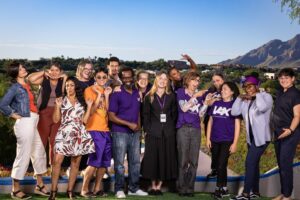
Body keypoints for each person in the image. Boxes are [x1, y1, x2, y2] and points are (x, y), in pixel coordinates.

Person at [0, 62, 49, 199]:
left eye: (23, 67)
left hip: (34, 121)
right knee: (23, 154)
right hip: (25, 122)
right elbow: (3, 104)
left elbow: (41, 78)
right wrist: (13, 115)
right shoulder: (15, 87)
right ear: (15, 72)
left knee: (38, 152)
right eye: (20, 69)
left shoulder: (27, 84)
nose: (23, 69)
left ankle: (39, 185)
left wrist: (46, 72)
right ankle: (15, 189)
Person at [48, 77, 95, 200]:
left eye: (71, 85)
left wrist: (89, 106)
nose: (69, 88)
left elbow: (84, 121)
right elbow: (55, 120)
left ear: (76, 87)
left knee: (75, 163)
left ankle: (70, 191)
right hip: (64, 133)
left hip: (79, 133)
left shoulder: (82, 101)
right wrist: (57, 106)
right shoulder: (61, 100)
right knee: (57, 161)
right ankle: (53, 191)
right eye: (67, 85)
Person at [231, 73, 273, 200]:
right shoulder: (245, 100)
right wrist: (239, 98)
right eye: (245, 87)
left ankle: (245, 194)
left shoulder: (266, 97)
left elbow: (262, 108)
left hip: (263, 138)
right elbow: (234, 112)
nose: (248, 89)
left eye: (250, 86)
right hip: (251, 138)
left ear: (257, 86)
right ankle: (256, 192)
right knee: (254, 165)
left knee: (249, 163)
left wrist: (258, 95)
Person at [108, 67, 148, 198]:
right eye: (124, 77)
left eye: (129, 77)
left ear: (133, 78)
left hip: (135, 133)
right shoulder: (116, 93)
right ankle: (119, 189)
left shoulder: (137, 93)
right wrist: (129, 124)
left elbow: (138, 113)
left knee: (135, 162)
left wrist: (139, 127)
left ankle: (133, 188)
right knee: (119, 163)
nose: (127, 80)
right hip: (120, 132)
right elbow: (111, 116)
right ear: (121, 79)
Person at [141, 71, 177, 196]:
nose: (163, 80)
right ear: (156, 80)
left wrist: (172, 130)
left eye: (165, 79)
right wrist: (147, 130)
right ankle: (152, 186)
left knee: (164, 158)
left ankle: (159, 186)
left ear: (167, 81)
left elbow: (174, 115)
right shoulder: (148, 96)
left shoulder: (171, 96)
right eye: (160, 78)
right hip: (153, 132)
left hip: (168, 133)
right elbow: (145, 116)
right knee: (152, 159)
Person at [176, 71, 210, 197]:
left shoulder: (201, 96)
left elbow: (200, 115)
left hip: (196, 129)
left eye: (198, 81)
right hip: (183, 129)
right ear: (188, 81)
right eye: (194, 80)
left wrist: (205, 103)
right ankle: (181, 188)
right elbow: (184, 108)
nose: (196, 83)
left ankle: (190, 188)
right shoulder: (180, 92)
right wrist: (196, 96)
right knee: (183, 160)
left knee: (194, 161)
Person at [81, 68, 113, 198]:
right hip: (94, 129)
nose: (101, 79)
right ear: (95, 78)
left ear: (106, 79)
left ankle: (97, 188)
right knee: (94, 162)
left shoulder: (106, 90)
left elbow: (109, 111)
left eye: (104, 77)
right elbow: (92, 110)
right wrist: (99, 95)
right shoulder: (89, 90)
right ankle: (84, 189)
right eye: (98, 77)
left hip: (105, 130)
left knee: (104, 163)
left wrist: (105, 95)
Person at [27, 62, 67, 165]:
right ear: (48, 71)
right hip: (44, 113)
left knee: (54, 142)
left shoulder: (62, 81)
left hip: (58, 113)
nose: (54, 72)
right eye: (52, 70)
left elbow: (64, 90)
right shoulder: (44, 80)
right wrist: (43, 72)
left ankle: (53, 167)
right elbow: (30, 79)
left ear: (60, 72)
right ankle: (38, 170)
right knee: (41, 141)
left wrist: (64, 76)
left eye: (57, 70)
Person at [206, 82, 240, 198]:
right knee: (219, 164)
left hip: (227, 140)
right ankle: (225, 188)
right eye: (222, 89)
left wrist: (235, 143)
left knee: (221, 164)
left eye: (225, 89)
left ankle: (219, 189)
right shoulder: (216, 103)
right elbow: (210, 121)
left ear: (232, 92)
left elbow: (237, 125)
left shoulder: (235, 105)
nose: (222, 91)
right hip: (214, 139)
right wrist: (208, 138)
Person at [272, 68, 300, 200]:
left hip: (290, 134)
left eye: (286, 77)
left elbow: (297, 116)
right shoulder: (280, 92)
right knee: (281, 164)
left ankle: (287, 196)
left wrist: (290, 130)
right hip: (278, 133)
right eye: (281, 77)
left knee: (285, 165)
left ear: (293, 79)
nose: (283, 80)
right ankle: (284, 193)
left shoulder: (295, 94)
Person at [204, 72, 225, 179]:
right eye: (214, 81)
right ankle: (214, 169)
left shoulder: (228, 91)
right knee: (213, 147)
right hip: (209, 121)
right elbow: (205, 103)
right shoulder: (211, 91)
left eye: (218, 80)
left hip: (223, 124)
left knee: (223, 149)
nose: (216, 83)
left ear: (223, 80)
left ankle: (221, 170)